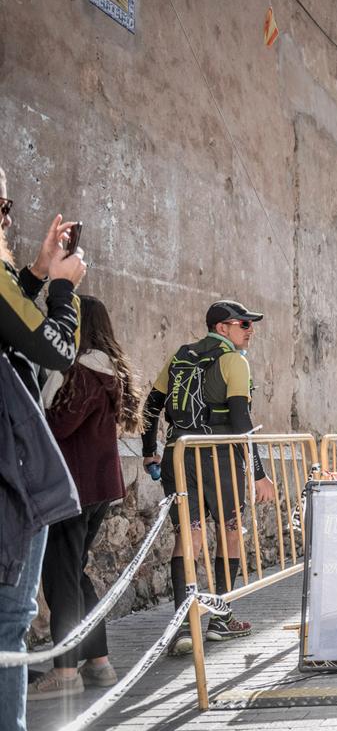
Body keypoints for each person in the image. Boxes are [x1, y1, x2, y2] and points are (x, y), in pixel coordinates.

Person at [0, 178, 88, 731]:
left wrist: (32, 273)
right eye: (1, 206)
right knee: (8, 621)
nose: (6, 217)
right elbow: (53, 346)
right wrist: (63, 288)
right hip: (9, 475)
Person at [142, 300, 277, 656]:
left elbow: (151, 405)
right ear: (222, 328)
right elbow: (240, 420)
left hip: (178, 452)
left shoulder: (180, 356)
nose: (250, 330)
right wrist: (260, 474)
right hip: (218, 455)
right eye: (244, 324)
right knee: (231, 531)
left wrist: (148, 451)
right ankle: (221, 618)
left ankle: (183, 628)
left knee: (190, 536)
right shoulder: (234, 361)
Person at [31, 297, 142, 700]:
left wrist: (43, 392)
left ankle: (64, 673)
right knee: (73, 573)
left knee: (61, 577)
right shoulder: (107, 371)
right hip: (96, 488)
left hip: (73, 488)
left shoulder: (84, 372)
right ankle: (98, 662)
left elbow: (58, 425)